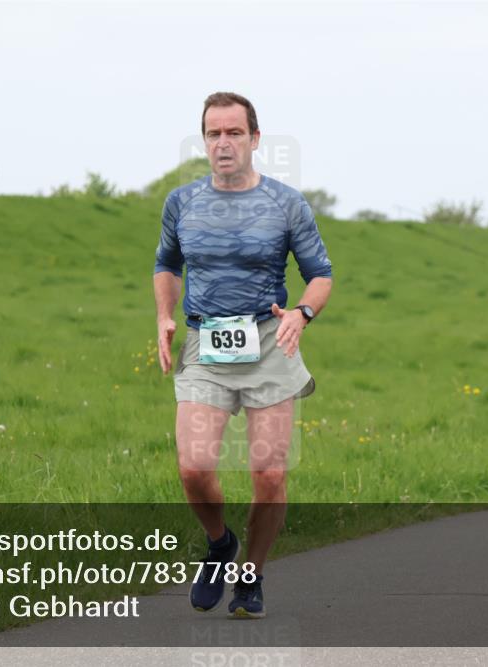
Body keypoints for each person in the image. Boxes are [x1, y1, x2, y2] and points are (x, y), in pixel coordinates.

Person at [153, 92, 333, 617]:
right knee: (193, 466)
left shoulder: (286, 203)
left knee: (269, 474)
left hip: (268, 345)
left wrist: (302, 313)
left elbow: (320, 273)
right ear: (203, 140)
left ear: (255, 139)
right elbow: (166, 264)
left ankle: (250, 575)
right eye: (214, 133)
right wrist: (165, 315)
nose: (224, 143)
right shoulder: (181, 202)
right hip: (206, 345)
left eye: (234, 133)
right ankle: (219, 544)